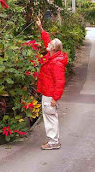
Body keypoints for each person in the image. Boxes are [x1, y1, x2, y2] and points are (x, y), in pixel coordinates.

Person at [36, 18, 68, 150]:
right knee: (49, 116)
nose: (47, 45)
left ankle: (54, 141)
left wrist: (55, 98)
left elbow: (60, 82)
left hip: (50, 95)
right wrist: (41, 28)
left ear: (54, 48)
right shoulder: (53, 56)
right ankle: (54, 140)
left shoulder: (56, 62)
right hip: (47, 92)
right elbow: (47, 40)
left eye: (50, 45)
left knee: (50, 117)